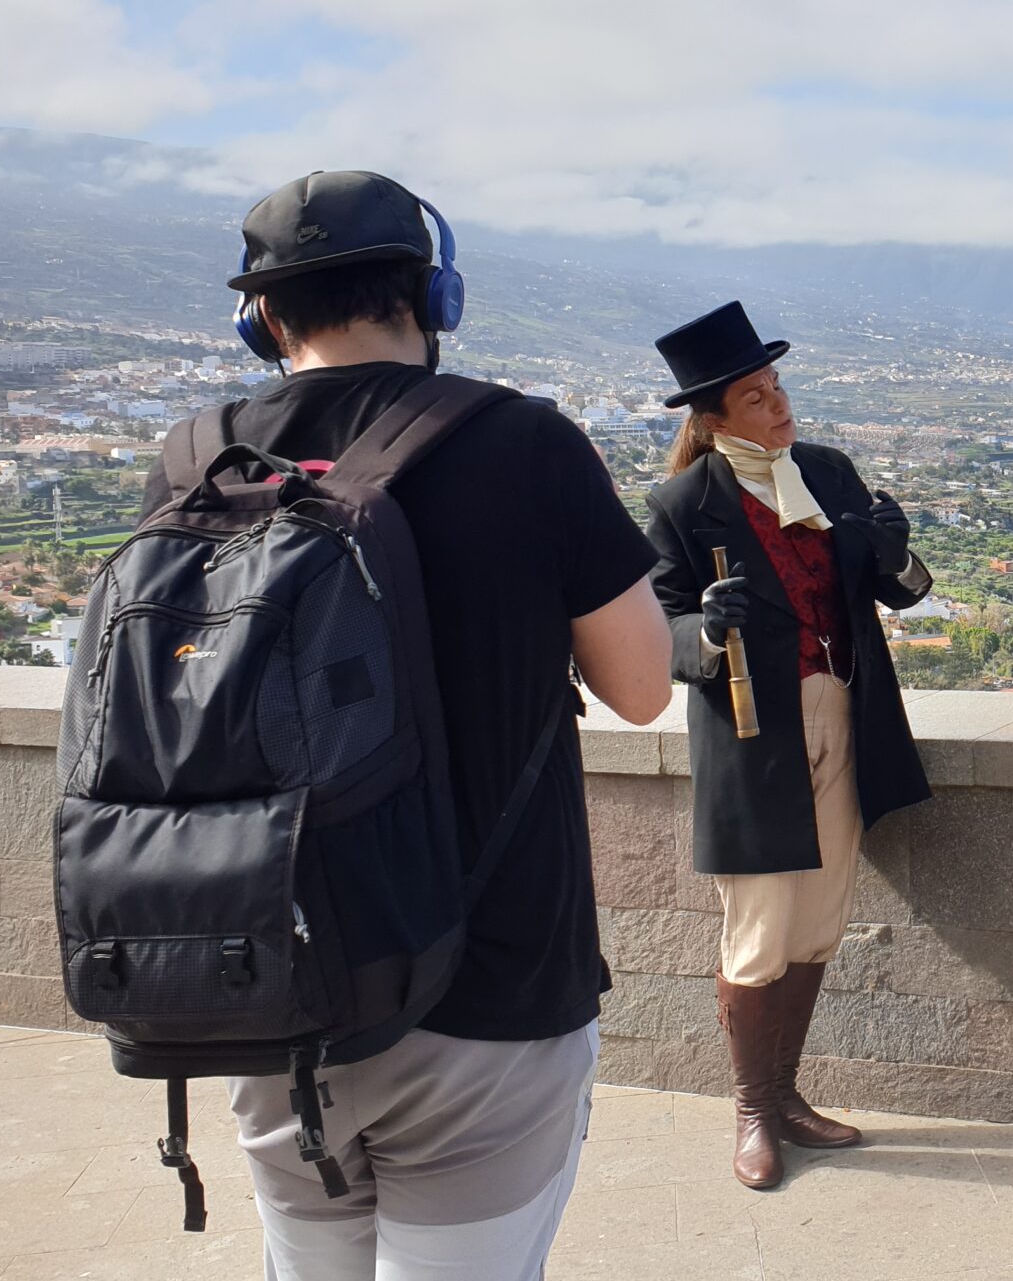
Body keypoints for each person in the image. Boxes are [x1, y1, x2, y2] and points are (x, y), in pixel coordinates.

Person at [142, 170, 675, 1277]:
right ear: (435, 298)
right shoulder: (526, 443)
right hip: (490, 980)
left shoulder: (197, 462)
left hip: (268, 973)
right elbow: (641, 688)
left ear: (260, 320)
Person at [641, 300, 935, 1191]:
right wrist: (702, 632)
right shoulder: (683, 504)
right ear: (714, 417)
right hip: (753, 736)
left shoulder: (830, 473)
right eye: (755, 396)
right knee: (760, 928)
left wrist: (895, 554)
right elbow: (655, 628)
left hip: (844, 711)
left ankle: (787, 1094)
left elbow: (908, 593)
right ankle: (752, 1111)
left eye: (777, 387)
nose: (777, 405)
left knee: (818, 921)